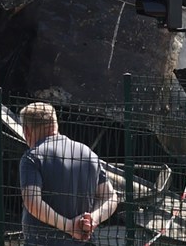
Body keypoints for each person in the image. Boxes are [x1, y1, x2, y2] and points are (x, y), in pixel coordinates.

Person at [18, 102, 119, 244]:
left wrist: (69, 226)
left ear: (26, 131)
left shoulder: (32, 157)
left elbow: (32, 202)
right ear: (55, 124)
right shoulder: (88, 153)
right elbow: (110, 197)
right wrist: (92, 220)